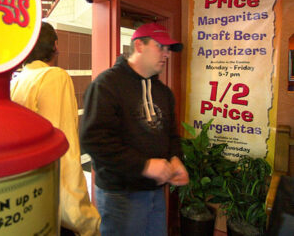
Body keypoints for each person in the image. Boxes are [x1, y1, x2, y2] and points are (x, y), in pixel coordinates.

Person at [79, 22, 189, 236]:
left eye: (168, 49)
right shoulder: (106, 85)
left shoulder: (163, 92)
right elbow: (94, 140)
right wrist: (144, 165)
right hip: (120, 195)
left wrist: (175, 158)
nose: (167, 54)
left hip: (156, 191)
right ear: (139, 45)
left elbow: (171, 135)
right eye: (161, 47)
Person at [10, 22, 101, 236]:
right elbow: (64, 152)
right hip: (52, 205)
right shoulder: (53, 77)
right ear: (55, 45)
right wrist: (83, 217)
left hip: (24, 200)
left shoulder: (16, 81)